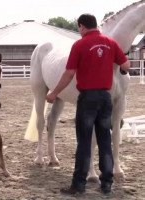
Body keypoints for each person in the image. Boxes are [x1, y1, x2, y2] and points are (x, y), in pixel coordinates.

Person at [46, 14, 130, 195]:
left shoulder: (79, 45)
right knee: (105, 140)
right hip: (106, 98)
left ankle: (78, 185)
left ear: (82, 27)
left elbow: (69, 73)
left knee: (84, 142)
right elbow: (127, 65)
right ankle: (106, 184)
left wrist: (54, 92)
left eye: (79, 28)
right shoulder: (111, 43)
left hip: (87, 98)